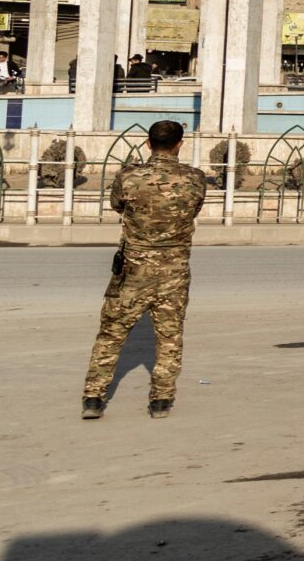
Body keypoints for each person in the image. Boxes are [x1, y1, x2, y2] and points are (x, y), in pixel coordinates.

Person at [81, 120, 211, 420]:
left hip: (133, 270)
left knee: (111, 334)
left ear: (148, 143)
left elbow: (118, 205)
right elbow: (193, 210)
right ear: (180, 144)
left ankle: (93, 398)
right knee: (169, 336)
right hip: (174, 270)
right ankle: (161, 400)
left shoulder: (129, 177)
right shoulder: (194, 179)